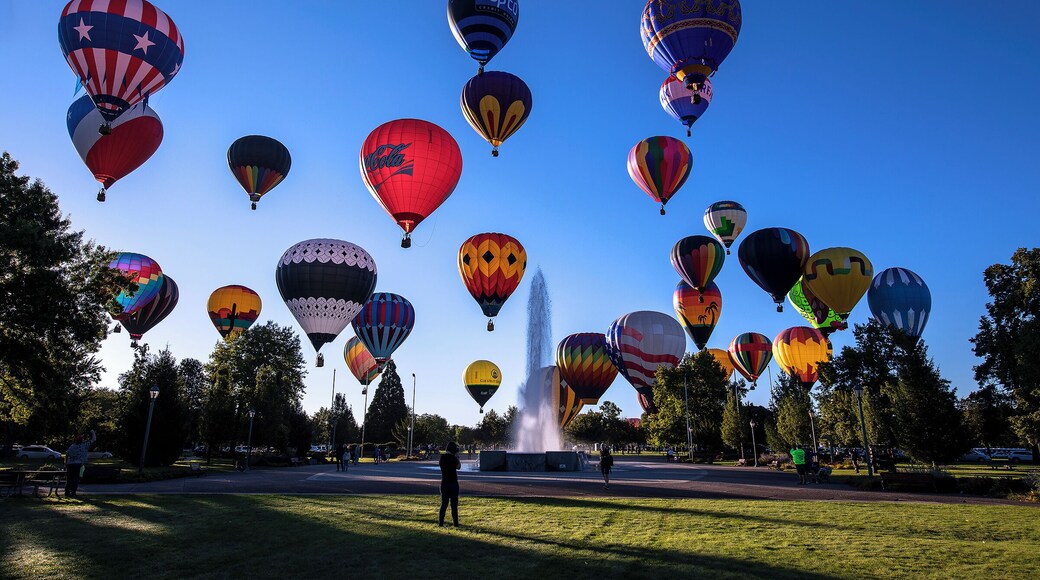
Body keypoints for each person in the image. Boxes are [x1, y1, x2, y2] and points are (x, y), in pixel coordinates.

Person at [65, 430, 96, 498]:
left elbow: (67, 454)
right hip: (77, 464)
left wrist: (66, 463)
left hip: (70, 464)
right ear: (82, 440)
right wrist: (93, 433)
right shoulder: (84, 445)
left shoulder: (72, 446)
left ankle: (67, 492)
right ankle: (73, 492)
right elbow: (93, 439)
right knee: (76, 479)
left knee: (69, 479)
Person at [438, 441, 462, 527]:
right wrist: (457, 457)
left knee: (444, 504)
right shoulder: (453, 458)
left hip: (444, 482)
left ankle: (441, 523)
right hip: (453, 483)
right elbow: (459, 467)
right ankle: (455, 523)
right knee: (454, 505)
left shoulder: (442, 458)